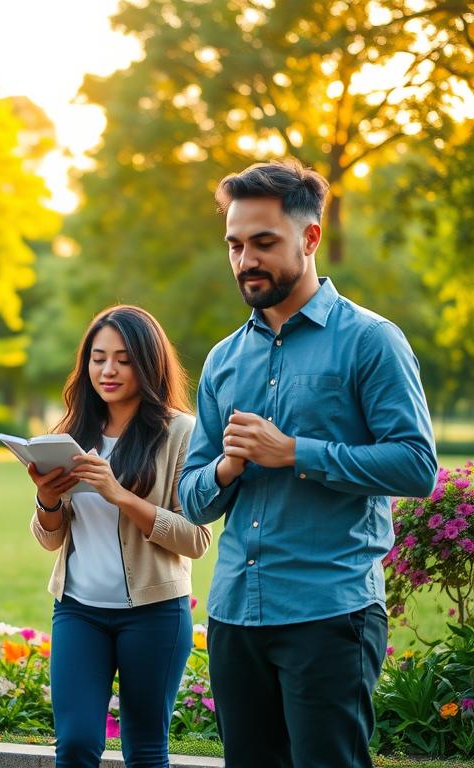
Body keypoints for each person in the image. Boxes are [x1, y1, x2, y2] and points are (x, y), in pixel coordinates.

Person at [178, 159, 437, 768]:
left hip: (331, 611)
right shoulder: (222, 360)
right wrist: (226, 470)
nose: (246, 260)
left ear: (310, 237)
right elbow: (191, 496)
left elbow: (416, 466)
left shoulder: (371, 341)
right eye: (235, 245)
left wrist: (295, 453)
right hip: (236, 613)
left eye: (264, 242)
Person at [28, 305, 212, 768]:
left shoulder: (180, 433)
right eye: (98, 357)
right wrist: (47, 500)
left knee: (146, 752)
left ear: (148, 364)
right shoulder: (71, 433)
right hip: (77, 612)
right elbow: (50, 539)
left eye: (124, 359)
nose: (107, 370)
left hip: (153, 616)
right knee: (74, 746)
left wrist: (120, 495)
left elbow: (197, 540)